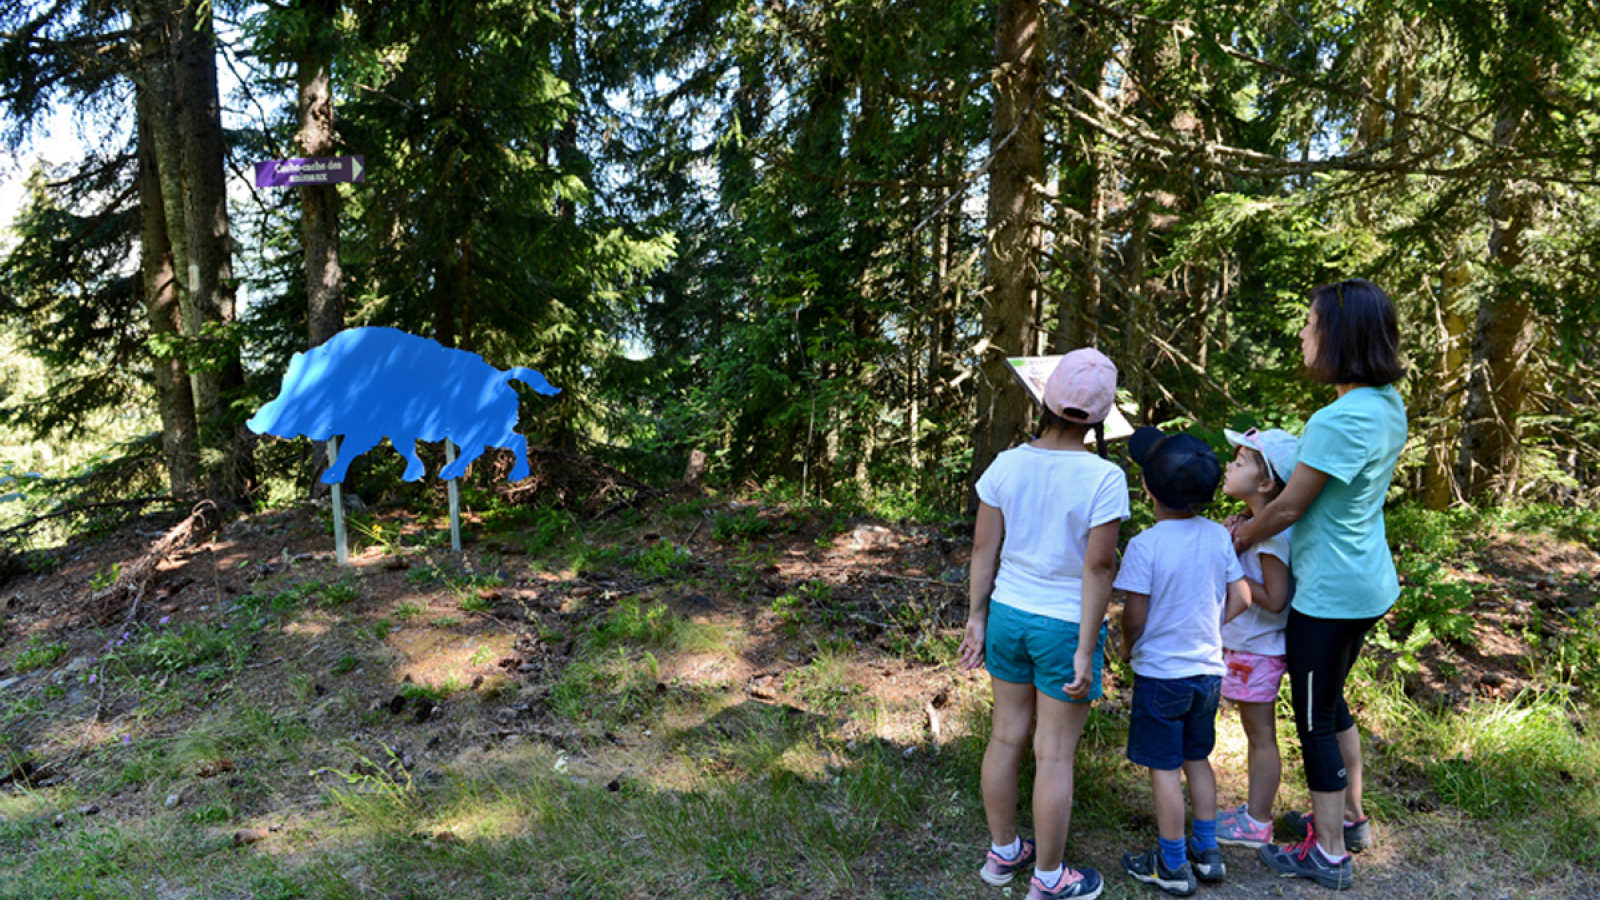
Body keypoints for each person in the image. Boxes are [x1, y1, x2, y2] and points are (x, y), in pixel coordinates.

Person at [1229, 278, 1407, 890]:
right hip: (1367, 580)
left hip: (1329, 594)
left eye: (1311, 323)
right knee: (1329, 701)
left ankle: (1328, 853)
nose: (1303, 333)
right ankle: (1350, 817)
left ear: (1340, 334)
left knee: (1311, 718)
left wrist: (1241, 537)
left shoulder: (1339, 418)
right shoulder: (1385, 403)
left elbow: (1286, 508)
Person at [959, 348, 1128, 900]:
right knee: (1054, 753)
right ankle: (1051, 880)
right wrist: (1086, 647)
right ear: (1103, 417)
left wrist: (976, 618)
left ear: (1045, 398)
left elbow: (984, 550)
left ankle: (1003, 852)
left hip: (1008, 614)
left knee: (1005, 738)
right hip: (1063, 627)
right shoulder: (1105, 477)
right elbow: (1099, 567)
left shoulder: (1006, 464)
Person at [1115, 426, 1250, 897]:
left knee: (1164, 769)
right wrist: (1213, 626)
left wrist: (1129, 646)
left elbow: (1134, 613)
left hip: (1161, 676)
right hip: (1207, 674)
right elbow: (1244, 597)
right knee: (1198, 758)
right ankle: (1208, 852)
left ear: (1147, 488)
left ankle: (1172, 863)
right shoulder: (1217, 537)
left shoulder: (1145, 545)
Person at [1213, 427, 1301, 848]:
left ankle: (1258, 822)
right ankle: (1254, 813)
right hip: (1248, 648)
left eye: (1241, 461)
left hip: (1259, 651)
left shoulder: (1270, 536)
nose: (1230, 465)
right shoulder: (1252, 524)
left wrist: (1232, 564)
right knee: (1255, 733)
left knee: (1261, 736)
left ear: (1266, 483)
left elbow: (1276, 598)